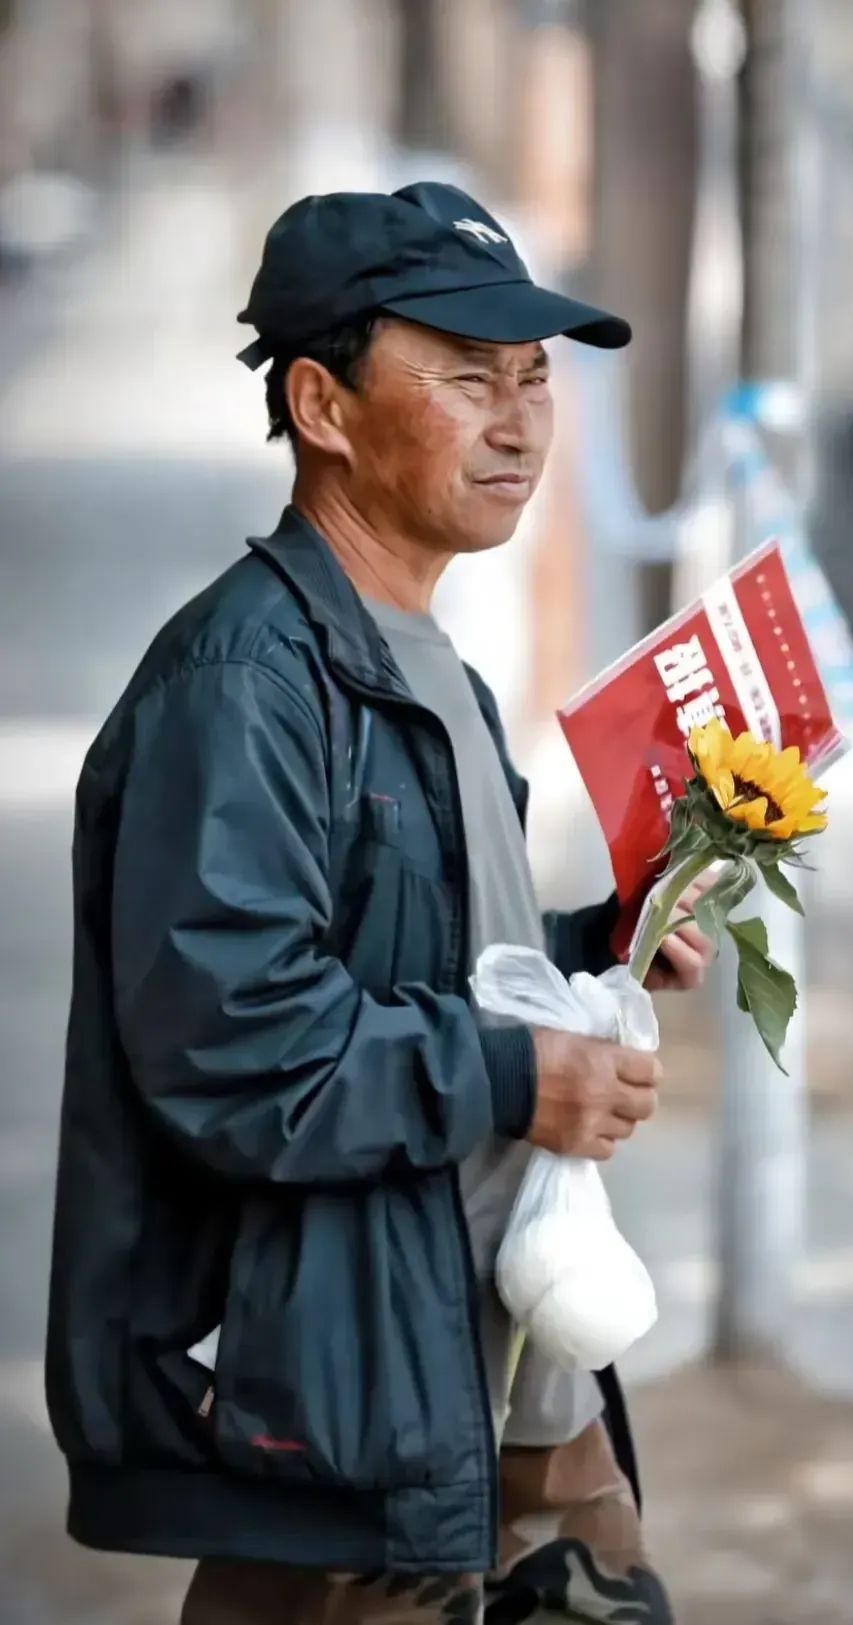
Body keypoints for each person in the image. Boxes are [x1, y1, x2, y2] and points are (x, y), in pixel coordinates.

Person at [46, 182, 716, 1623]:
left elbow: (423, 967)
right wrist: (512, 1073)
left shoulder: (438, 672)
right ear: (324, 405)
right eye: (467, 377)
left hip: (508, 1370)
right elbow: (231, 1041)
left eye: (535, 380)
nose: (519, 422)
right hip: (341, 1416)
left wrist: (598, 946)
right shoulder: (243, 687)